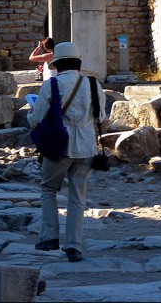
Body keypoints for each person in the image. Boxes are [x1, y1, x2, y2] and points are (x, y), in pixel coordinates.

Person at [26, 41, 107, 262]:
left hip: (58, 145)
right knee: (78, 197)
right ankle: (74, 246)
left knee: (48, 188)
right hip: (87, 146)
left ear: (56, 64)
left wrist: (30, 115)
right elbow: (101, 118)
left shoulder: (51, 85)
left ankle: (50, 236)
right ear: (77, 62)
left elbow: (37, 118)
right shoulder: (92, 84)